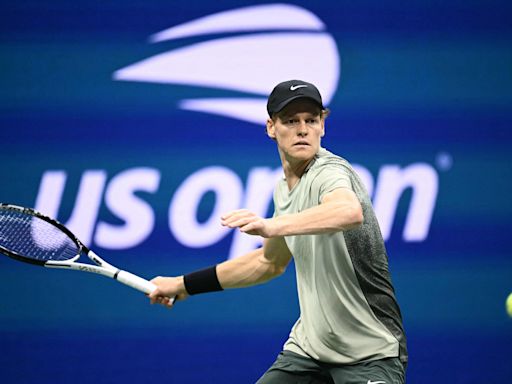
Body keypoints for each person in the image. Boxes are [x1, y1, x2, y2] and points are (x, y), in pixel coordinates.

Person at [148, 80, 408, 383]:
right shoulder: (283, 189)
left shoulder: (331, 171)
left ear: (322, 125)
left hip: (370, 354)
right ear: (271, 127)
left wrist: (271, 225)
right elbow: (268, 263)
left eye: (311, 120)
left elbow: (348, 211)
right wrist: (183, 284)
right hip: (308, 351)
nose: (302, 129)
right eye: (291, 121)